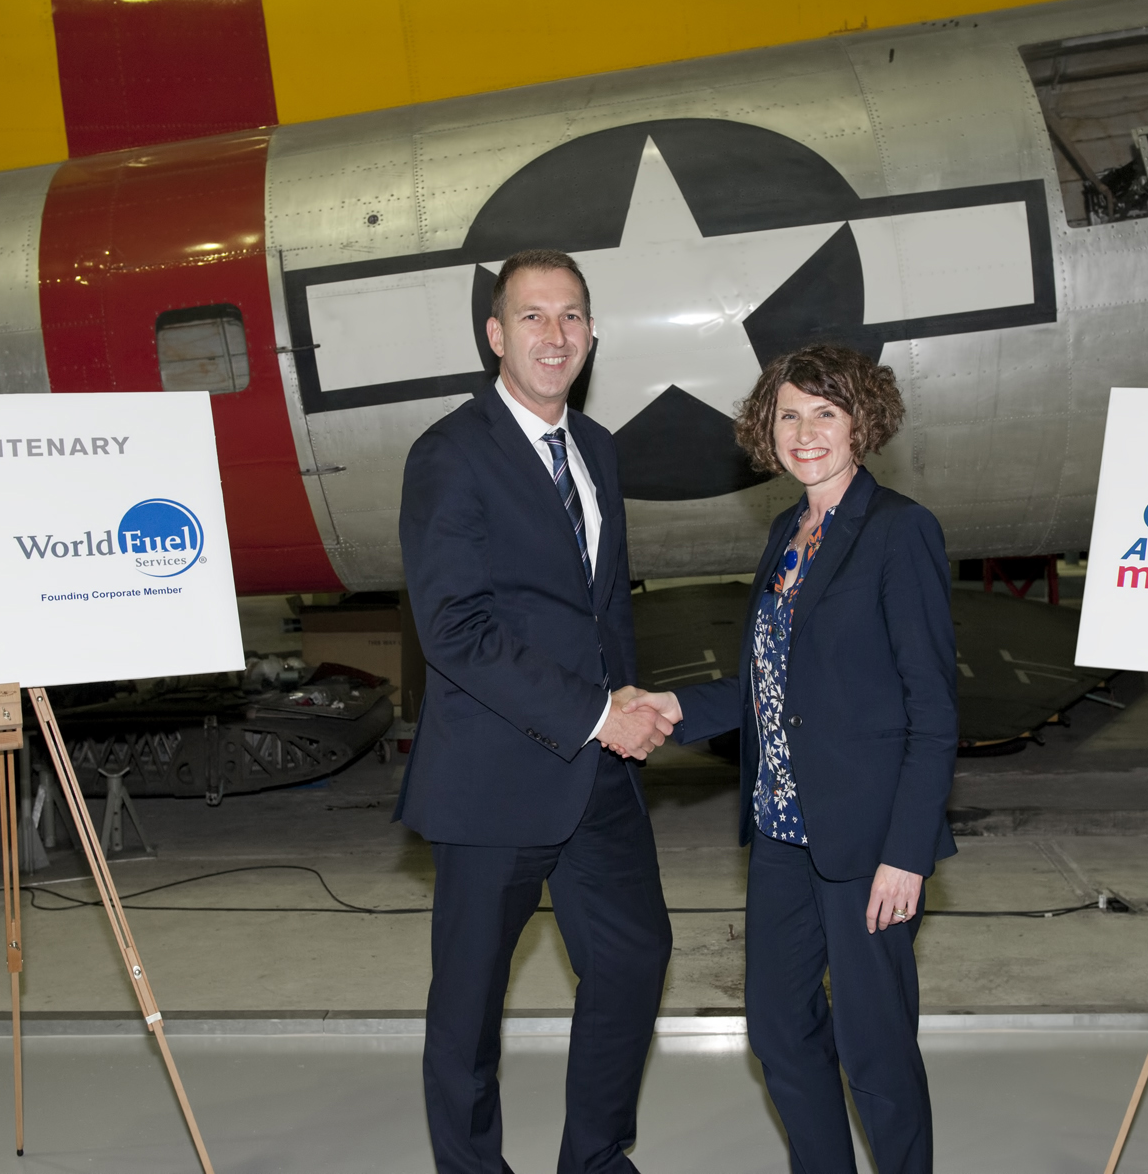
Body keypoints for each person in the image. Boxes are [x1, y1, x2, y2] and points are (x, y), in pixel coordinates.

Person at [625, 345, 958, 1174]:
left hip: (866, 841)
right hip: (780, 830)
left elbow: (933, 709)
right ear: (765, 429)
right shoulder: (789, 531)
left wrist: (907, 853)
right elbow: (770, 681)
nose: (805, 432)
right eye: (788, 415)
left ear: (861, 422)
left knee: (875, 1048)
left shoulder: (899, 530)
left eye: (825, 413)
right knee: (778, 1030)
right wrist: (677, 706)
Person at [397, 249, 675, 1174]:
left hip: (598, 775)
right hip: (494, 780)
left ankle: (595, 1160)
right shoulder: (448, 454)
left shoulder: (596, 447)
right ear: (495, 335)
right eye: (532, 316)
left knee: (634, 959)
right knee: (470, 1006)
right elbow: (455, 629)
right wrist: (598, 713)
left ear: (591, 332)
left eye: (571, 317)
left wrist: (623, 701)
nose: (555, 336)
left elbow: (602, 608)